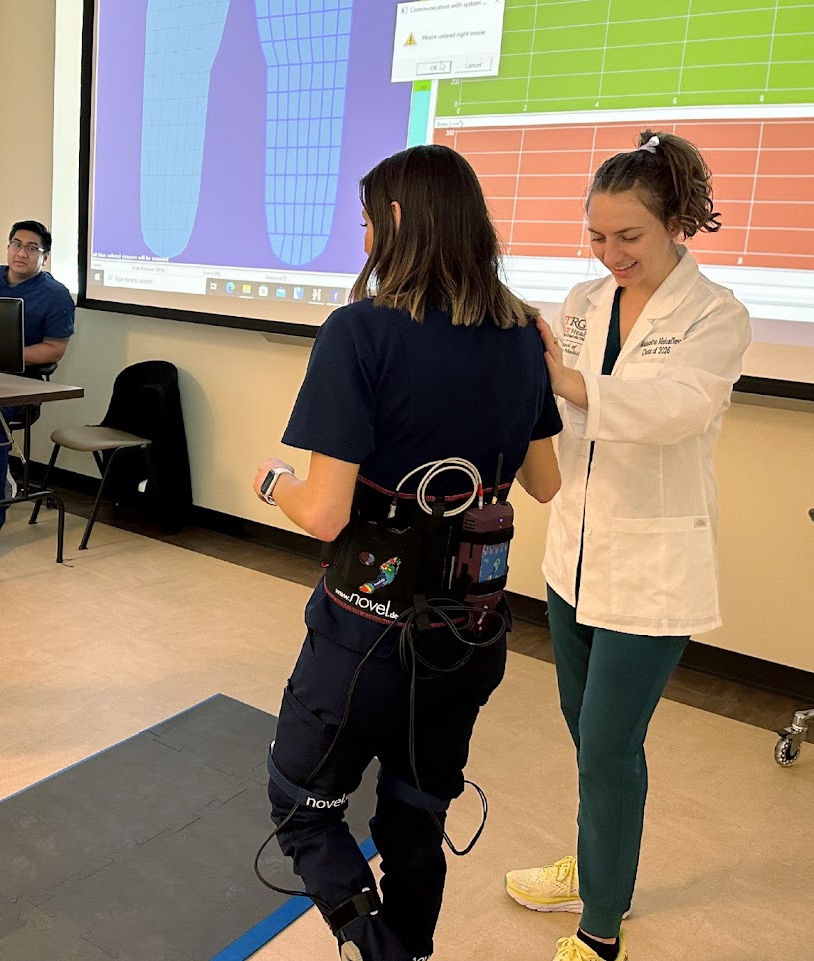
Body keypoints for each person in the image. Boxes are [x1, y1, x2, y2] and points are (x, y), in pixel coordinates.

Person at [253, 144, 562, 961]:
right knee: (415, 808)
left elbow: (323, 514)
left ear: (394, 219)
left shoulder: (360, 332)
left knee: (300, 796)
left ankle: (374, 945)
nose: (360, 241)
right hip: (468, 634)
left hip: (365, 635)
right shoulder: (518, 334)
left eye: (362, 221)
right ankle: (408, 947)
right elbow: (544, 482)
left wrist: (270, 484)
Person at [503, 130, 752, 961]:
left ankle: (601, 925)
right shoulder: (580, 302)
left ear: (676, 222)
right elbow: (557, 412)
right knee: (584, 729)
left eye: (629, 236)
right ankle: (595, 862)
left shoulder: (716, 315)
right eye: (597, 236)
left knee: (609, 742)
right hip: (575, 545)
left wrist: (570, 383)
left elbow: (678, 409)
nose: (610, 253)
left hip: (653, 564)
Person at [0, 220, 74, 559]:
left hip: (20, 386)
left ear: (45, 257)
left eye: (32, 248)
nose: (21, 252)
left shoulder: (55, 295)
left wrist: (4, 354)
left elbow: (54, 349)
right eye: (16, 244)